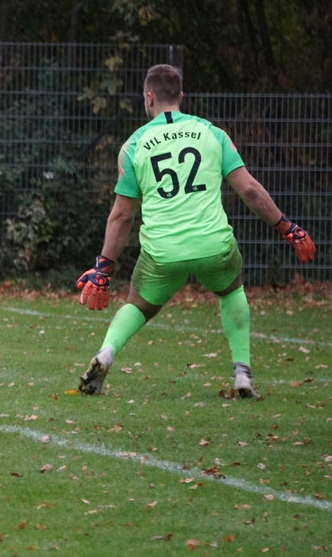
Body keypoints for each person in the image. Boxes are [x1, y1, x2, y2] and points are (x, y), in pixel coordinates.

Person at [75, 63, 316, 397]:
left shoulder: (134, 146)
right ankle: (242, 373)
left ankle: (107, 352)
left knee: (139, 306)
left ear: (148, 98)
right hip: (213, 245)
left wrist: (103, 268)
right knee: (231, 291)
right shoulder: (212, 133)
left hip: (163, 252)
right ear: (181, 97)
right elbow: (249, 190)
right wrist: (288, 228)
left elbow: (121, 216)